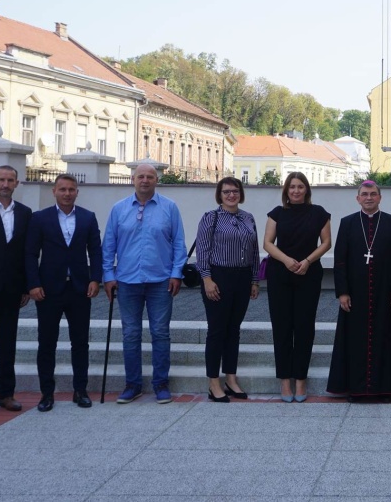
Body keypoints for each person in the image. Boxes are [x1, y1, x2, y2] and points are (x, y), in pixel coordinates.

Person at [101, 164, 186, 404]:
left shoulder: (169, 208)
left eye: (150, 176)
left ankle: (161, 384)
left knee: (160, 333)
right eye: (141, 176)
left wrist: (176, 273)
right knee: (130, 334)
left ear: (156, 180)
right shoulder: (118, 210)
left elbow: (179, 244)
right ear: (132, 180)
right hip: (127, 281)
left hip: (161, 281)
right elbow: (108, 245)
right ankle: (133, 384)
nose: (145, 180)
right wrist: (108, 276)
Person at [25, 174, 102, 411]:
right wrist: (33, 284)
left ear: (77, 192)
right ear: (54, 192)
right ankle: (46, 393)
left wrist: (95, 279)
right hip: (48, 291)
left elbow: (96, 252)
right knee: (46, 343)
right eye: (62, 189)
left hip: (79, 289)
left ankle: (80, 390)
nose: (67, 193)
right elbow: (30, 254)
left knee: (80, 343)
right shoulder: (40, 219)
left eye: (71, 189)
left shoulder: (88, 218)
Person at [326, 180, 391, 401]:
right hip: (355, 295)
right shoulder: (348, 223)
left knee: (386, 338)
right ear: (358, 198)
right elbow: (340, 261)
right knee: (354, 341)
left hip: (384, 293)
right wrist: (342, 292)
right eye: (364, 194)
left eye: (373, 194)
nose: (369, 198)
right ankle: (356, 388)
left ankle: (385, 389)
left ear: (380, 197)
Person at [263, 172, 331, 402]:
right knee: (282, 327)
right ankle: (284, 381)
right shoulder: (277, 213)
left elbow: (327, 243)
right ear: (286, 190)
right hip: (280, 274)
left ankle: (300, 380)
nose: (296, 191)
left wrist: (307, 261)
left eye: (300, 186)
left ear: (307, 190)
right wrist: (287, 260)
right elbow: (267, 243)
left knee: (304, 327)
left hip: (309, 274)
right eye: (292, 187)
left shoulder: (319, 212)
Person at [196, 177, 260, 403]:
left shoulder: (248, 218)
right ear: (219, 195)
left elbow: (254, 253)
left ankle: (231, 378)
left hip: (242, 278)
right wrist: (207, 279)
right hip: (218, 277)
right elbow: (202, 251)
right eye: (226, 192)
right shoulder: (210, 218)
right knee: (217, 331)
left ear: (241, 193)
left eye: (235, 191)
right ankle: (214, 382)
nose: (231, 195)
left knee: (234, 330)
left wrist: (254, 280)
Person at [0, 165, 32, 411]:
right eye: (1, 180)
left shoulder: (26, 213)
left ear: (17, 183)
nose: (5, 184)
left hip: (11, 290)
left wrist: (27, 286)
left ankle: (6, 394)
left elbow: (28, 253)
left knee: (8, 343)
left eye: (10, 180)